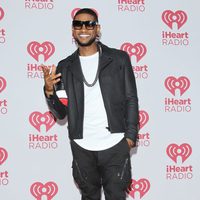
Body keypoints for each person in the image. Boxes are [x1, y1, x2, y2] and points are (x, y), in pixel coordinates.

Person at [42, 8, 139, 200]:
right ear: (72, 30)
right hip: (82, 146)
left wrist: (129, 137)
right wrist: (49, 90)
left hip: (115, 143)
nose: (83, 28)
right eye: (78, 24)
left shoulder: (119, 59)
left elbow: (131, 99)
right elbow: (61, 113)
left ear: (97, 29)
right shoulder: (65, 66)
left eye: (89, 24)